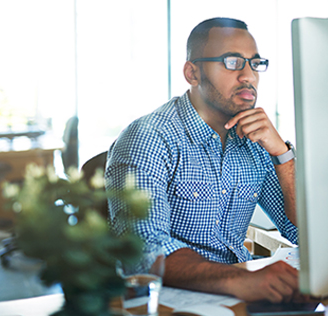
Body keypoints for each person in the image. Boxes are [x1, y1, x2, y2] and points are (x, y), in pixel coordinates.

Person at [105, 17, 300, 303]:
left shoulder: (257, 140)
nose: (248, 76)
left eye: (255, 63)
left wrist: (283, 154)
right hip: (165, 300)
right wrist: (241, 280)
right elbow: (144, 250)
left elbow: (302, 232)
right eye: (233, 62)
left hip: (237, 295)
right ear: (192, 73)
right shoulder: (149, 138)